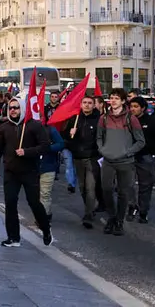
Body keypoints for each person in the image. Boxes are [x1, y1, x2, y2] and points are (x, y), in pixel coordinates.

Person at [0, 98, 53, 247]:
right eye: (11, 107)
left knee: (34, 203)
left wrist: (27, 152)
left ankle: (45, 228)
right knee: (10, 203)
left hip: (30, 171)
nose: (13, 110)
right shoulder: (4, 128)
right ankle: (13, 237)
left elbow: (45, 146)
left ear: (22, 109)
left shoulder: (34, 126)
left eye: (16, 107)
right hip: (11, 172)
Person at [97, 88, 145, 236]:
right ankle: (111, 217)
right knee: (106, 189)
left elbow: (141, 141)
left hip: (126, 162)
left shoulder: (131, 118)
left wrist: (127, 152)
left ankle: (119, 221)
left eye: (116, 98)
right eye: (111, 98)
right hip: (108, 160)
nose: (113, 100)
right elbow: (99, 137)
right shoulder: (103, 118)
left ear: (123, 101)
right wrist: (102, 149)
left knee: (123, 193)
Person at [65, 96, 101, 229]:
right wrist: (71, 134)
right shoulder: (74, 119)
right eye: (84, 103)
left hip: (92, 157)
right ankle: (91, 205)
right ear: (80, 104)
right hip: (78, 157)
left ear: (93, 105)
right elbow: (66, 139)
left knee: (90, 187)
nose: (87, 105)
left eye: (89, 103)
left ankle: (88, 214)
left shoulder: (98, 120)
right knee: (82, 186)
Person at [127, 97, 155, 224]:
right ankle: (131, 206)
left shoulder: (151, 120)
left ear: (143, 108)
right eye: (131, 106)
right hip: (128, 157)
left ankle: (143, 211)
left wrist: (152, 152)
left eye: (136, 106)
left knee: (145, 185)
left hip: (145, 157)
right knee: (127, 184)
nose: (133, 109)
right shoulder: (127, 121)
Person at [37, 122, 64, 218]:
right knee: (35, 195)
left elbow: (61, 144)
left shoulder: (51, 130)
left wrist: (48, 148)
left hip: (48, 166)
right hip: (32, 168)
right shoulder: (27, 129)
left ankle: (44, 217)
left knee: (45, 193)